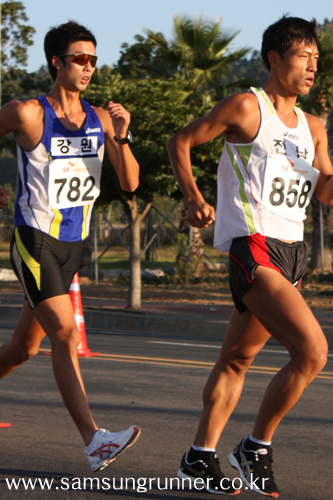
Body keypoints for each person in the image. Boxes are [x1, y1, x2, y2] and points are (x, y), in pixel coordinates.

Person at [167, 16, 331, 497]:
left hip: (292, 253)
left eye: (316, 59)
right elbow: (181, 140)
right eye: (303, 56)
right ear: (275, 58)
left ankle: (199, 457)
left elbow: (325, 193)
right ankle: (255, 448)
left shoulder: (314, 127)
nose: (312, 67)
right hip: (254, 249)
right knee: (313, 352)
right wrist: (194, 197)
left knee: (237, 358)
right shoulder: (246, 106)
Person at [0, 21, 140, 472]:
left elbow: (131, 183)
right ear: (56, 62)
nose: (88, 68)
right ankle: (93, 440)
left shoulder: (102, 118)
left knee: (24, 348)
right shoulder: (27, 114)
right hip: (34, 239)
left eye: (93, 60)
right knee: (66, 334)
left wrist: (122, 135)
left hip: (72, 247)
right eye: (79, 59)